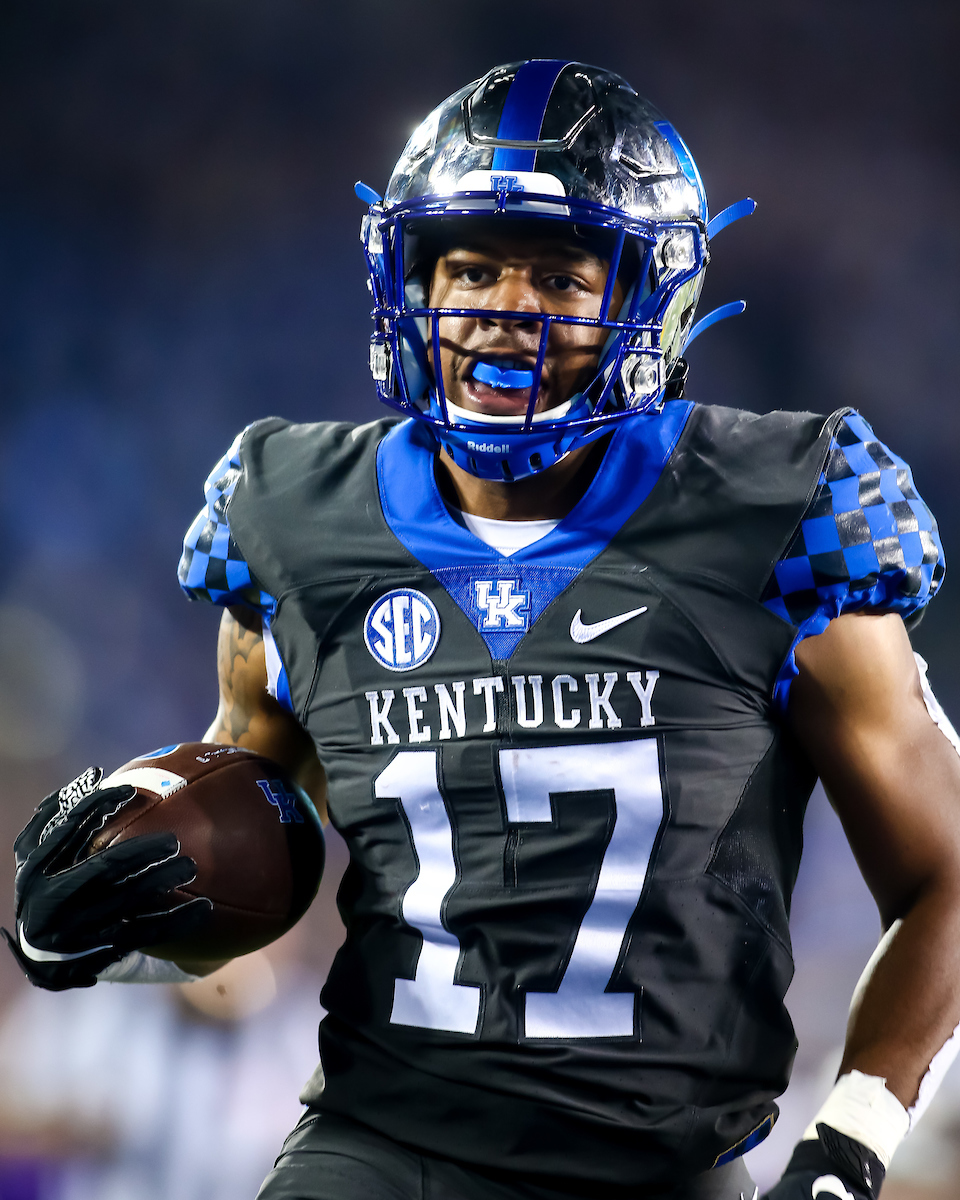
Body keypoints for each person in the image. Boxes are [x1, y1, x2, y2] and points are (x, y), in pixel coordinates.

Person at [4, 59, 960, 1200]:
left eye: (559, 276)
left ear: (656, 296)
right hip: (381, 1144)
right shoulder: (291, 512)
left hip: (663, 1160)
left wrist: (849, 1142)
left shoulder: (780, 511)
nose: (503, 313)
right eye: (468, 268)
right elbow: (263, 820)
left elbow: (947, 873)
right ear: (409, 281)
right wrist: (138, 903)